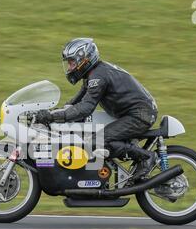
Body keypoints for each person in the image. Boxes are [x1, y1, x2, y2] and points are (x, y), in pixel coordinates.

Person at [35, 38, 159, 180]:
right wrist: (52, 113)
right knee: (91, 137)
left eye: (72, 63)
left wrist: (52, 117)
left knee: (97, 141)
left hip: (139, 115)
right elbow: (75, 103)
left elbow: (85, 108)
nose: (69, 68)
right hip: (132, 113)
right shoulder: (93, 75)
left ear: (84, 60)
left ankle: (147, 157)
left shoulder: (98, 77)